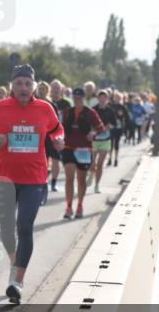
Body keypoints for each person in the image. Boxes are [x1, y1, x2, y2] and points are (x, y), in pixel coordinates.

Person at [0, 64, 64, 304]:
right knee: (7, 230)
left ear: (34, 86)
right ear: (12, 86)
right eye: (19, 83)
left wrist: (59, 139)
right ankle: (14, 263)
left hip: (34, 178)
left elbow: (58, 130)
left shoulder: (45, 109)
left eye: (28, 83)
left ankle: (17, 281)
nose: (23, 88)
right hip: (4, 178)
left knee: (24, 226)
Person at [61, 87, 105, 219]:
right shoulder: (67, 111)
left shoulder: (90, 112)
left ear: (83, 98)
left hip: (84, 149)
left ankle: (80, 205)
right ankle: (69, 207)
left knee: (81, 180)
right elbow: (60, 127)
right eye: (75, 98)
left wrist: (93, 133)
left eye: (79, 98)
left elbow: (100, 128)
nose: (77, 100)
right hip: (68, 147)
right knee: (69, 178)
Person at [89, 89, 117, 193]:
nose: (102, 99)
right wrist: (93, 130)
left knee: (100, 164)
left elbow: (114, 124)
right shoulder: (93, 109)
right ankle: (91, 173)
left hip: (105, 140)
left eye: (104, 97)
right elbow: (88, 123)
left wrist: (107, 127)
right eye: (100, 97)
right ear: (97, 98)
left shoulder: (110, 110)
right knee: (92, 163)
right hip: (94, 140)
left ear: (107, 99)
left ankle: (97, 185)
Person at [46, 80, 71, 192]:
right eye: (53, 87)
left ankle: (53, 183)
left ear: (61, 89)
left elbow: (69, 120)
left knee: (56, 159)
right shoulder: (46, 102)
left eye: (57, 88)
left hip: (58, 135)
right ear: (50, 89)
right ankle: (43, 181)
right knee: (44, 159)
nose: (55, 90)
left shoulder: (66, 104)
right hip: (46, 135)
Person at [109, 91, 130, 167]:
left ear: (121, 98)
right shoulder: (110, 106)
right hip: (111, 127)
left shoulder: (122, 107)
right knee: (111, 143)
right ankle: (109, 158)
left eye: (119, 97)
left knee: (116, 143)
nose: (117, 99)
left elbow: (127, 118)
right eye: (116, 97)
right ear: (114, 98)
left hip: (119, 128)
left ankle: (116, 159)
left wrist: (125, 129)